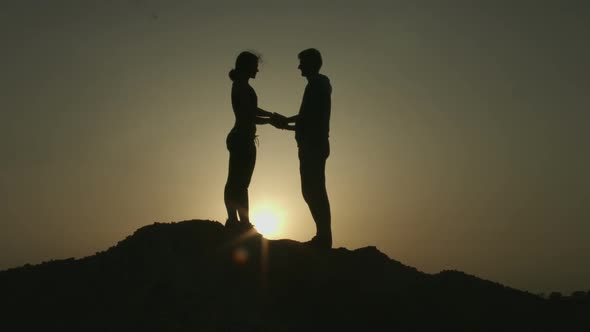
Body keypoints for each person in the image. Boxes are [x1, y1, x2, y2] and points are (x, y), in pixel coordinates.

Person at [273, 48, 333, 249]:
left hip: (313, 145)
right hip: (313, 144)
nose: (299, 67)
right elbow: (307, 117)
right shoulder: (319, 84)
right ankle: (323, 235)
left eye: (302, 63)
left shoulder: (317, 84)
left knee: (313, 190)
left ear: (311, 63)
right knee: (313, 190)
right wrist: (287, 123)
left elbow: (310, 118)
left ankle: (324, 237)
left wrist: (285, 124)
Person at [224, 51, 279, 231]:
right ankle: (239, 222)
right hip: (242, 138)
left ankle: (239, 221)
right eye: (255, 66)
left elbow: (253, 110)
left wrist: (270, 115)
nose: (257, 69)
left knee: (239, 183)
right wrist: (271, 120)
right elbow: (250, 115)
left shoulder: (241, 86)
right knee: (237, 183)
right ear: (247, 66)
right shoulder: (241, 87)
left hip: (243, 137)